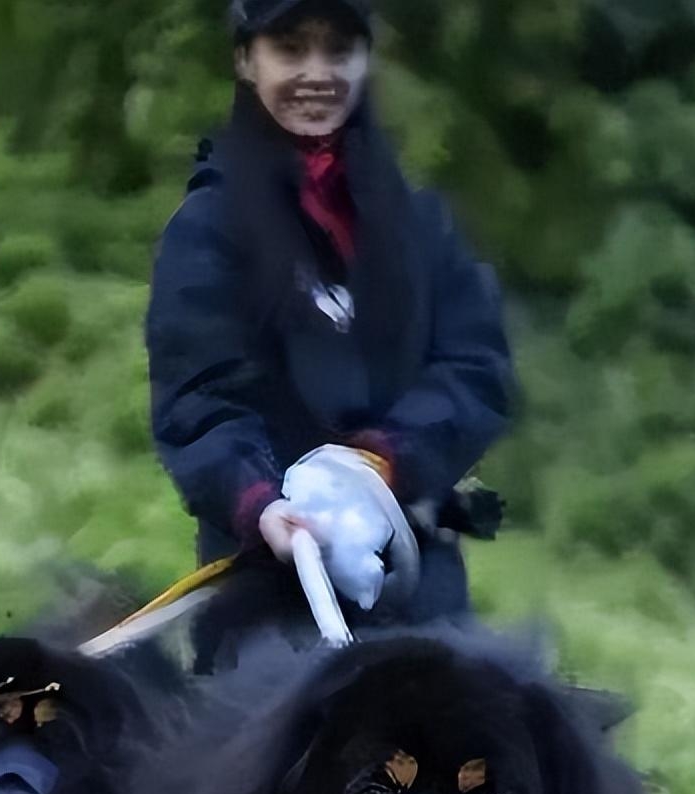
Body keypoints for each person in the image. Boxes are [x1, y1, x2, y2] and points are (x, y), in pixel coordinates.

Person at [147, 0, 514, 658]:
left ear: (366, 59)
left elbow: (476, 367)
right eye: (290, 48)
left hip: (417, 591)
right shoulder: (205, 231)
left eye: (338, 50)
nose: (317, 73)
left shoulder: (422, 225)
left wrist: (381, 461)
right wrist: (261, 503)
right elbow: (201, 399)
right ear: (245, 59)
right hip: (266, 594)